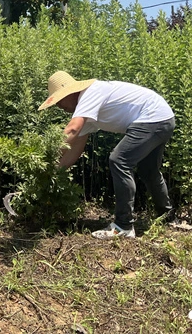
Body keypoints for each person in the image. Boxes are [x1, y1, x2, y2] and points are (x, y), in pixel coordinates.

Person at [39, 71, 176, 239]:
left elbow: (72, 129)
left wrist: (48, 156)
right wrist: (54, 170)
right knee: (148, 171)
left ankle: (123, 226)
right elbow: (75, 148)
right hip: (163, 118)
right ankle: (168, 218)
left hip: (153, 118)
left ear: (70, 92)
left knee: (119, 160)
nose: (60, 107)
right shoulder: (87, 109)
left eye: (60, 101)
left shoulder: (89, 94)